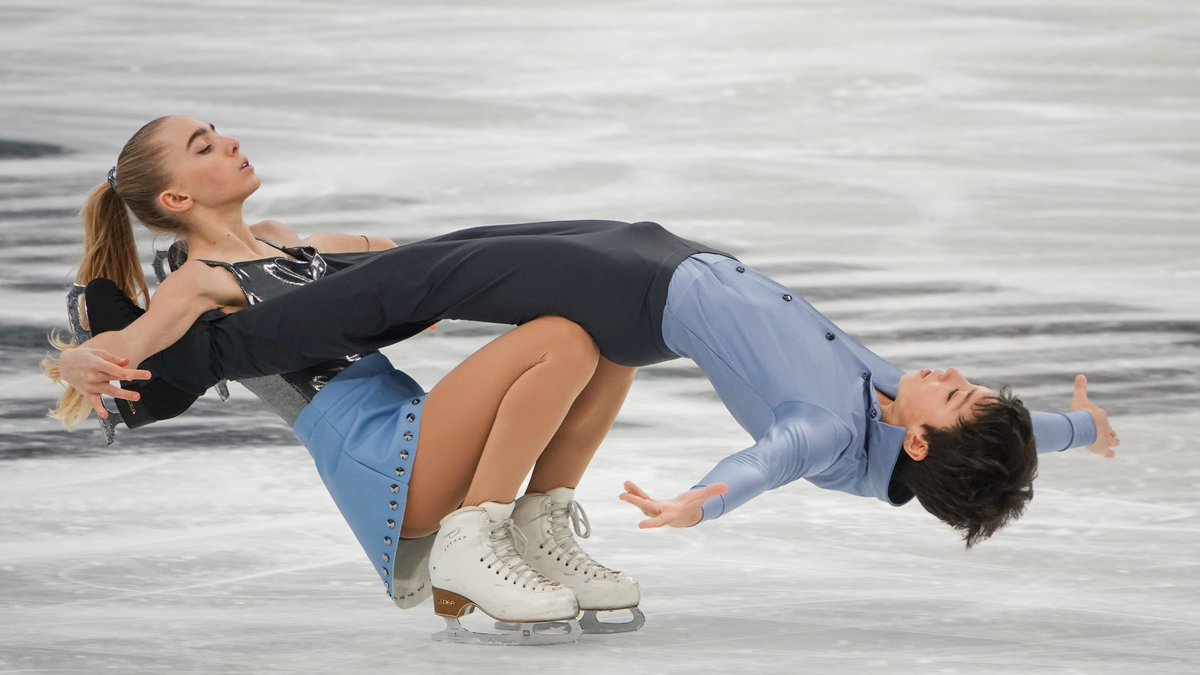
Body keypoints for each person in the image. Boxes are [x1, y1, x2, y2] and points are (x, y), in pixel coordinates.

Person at [56, 125, 1119, 562]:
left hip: (635, 295)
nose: (946, 375)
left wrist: (700, 502)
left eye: (956, 394)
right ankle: (152, 363)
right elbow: (1011, 438)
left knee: (420, 277)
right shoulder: (893, 407)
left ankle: (151, 374)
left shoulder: (832, 426)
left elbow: (763, 462)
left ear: (922, 444)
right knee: (434, 262)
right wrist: (1077, 428)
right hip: (645, 264)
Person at [43, 116, 656, 646]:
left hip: (416, 427)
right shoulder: (200, 279)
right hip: (379, 458)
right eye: (203, 148)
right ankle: (470, 544)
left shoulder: (291, 246)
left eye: (217, 134)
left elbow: (387, 255)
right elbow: (131, 343)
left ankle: (538, 527)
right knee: (560, 339)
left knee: (610, 338)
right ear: (176, 199)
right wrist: (76, 363)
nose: (228, 143)